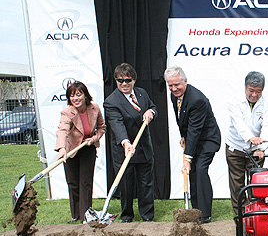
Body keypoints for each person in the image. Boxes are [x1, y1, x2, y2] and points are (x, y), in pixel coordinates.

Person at [164, 66, 221, 223]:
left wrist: (187, 159)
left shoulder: (197, 99)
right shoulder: (174, 96)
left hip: (208, 139)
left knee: (200, 169)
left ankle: (205, 214)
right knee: (193, 173)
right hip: (193, 138)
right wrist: (184, 136)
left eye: (177, 84)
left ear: (185, 81)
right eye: (170, 85)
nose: (174, 88)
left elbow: (195, 129)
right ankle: (195, 210)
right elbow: (181, 119)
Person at [103, 63, 157, 223]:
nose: (124, 84)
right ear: (116, 81)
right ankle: (127, 216)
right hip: (124, 149)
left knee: (146, 183)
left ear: (134, 79)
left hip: (143, 148)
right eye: (120, 81)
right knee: (126, 185)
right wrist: (126, 143)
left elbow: (153, 107)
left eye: (127, 80)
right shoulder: (111, 101)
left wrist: (151, 111)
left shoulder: (141, 94)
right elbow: (116, 124)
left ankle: (147, 216)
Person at [55, 81, 106, 224]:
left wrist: (94, 138)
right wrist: (62, 148)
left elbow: (102, 127)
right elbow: (62, 130)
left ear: (85, 96)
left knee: (85, 182)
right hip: (71, 149)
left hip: (88, 148)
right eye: (72, 96)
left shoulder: (94, 109)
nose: (75, 98)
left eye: (78, 94)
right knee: (73, 182)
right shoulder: (67, 112)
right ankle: (75, 214)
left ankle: (85, 215)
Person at [226, 71, 268, 214]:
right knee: (237, 185)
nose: (254, 95)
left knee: (256, 184)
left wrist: (261, 148)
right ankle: (241, 217)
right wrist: (250, 137)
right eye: (251, 90)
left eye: (258, 91)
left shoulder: (267, 104)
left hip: (256, 150)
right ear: (245, 87)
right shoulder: (235, 101)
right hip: (235, 147)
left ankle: (256, 214)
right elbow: (238, 123)